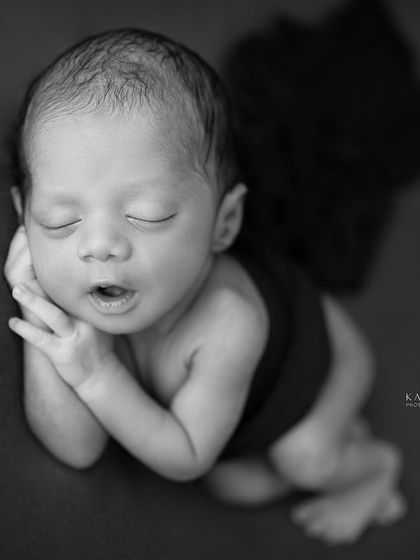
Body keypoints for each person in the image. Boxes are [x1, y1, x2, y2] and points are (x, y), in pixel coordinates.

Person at [3, 28, 405, 545]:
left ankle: (373, 468)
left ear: (224, 222)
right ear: (22, 218)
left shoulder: (229, 321)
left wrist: (97, 372)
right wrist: (37, 316)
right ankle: (339, 439)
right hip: (240, 408)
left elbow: (187, 455)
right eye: (59, 220)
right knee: (236, 483)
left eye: (147, 216)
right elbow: (77, 448)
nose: (98, 246)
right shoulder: (84, 281)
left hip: (327, 352)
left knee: (304, 458)